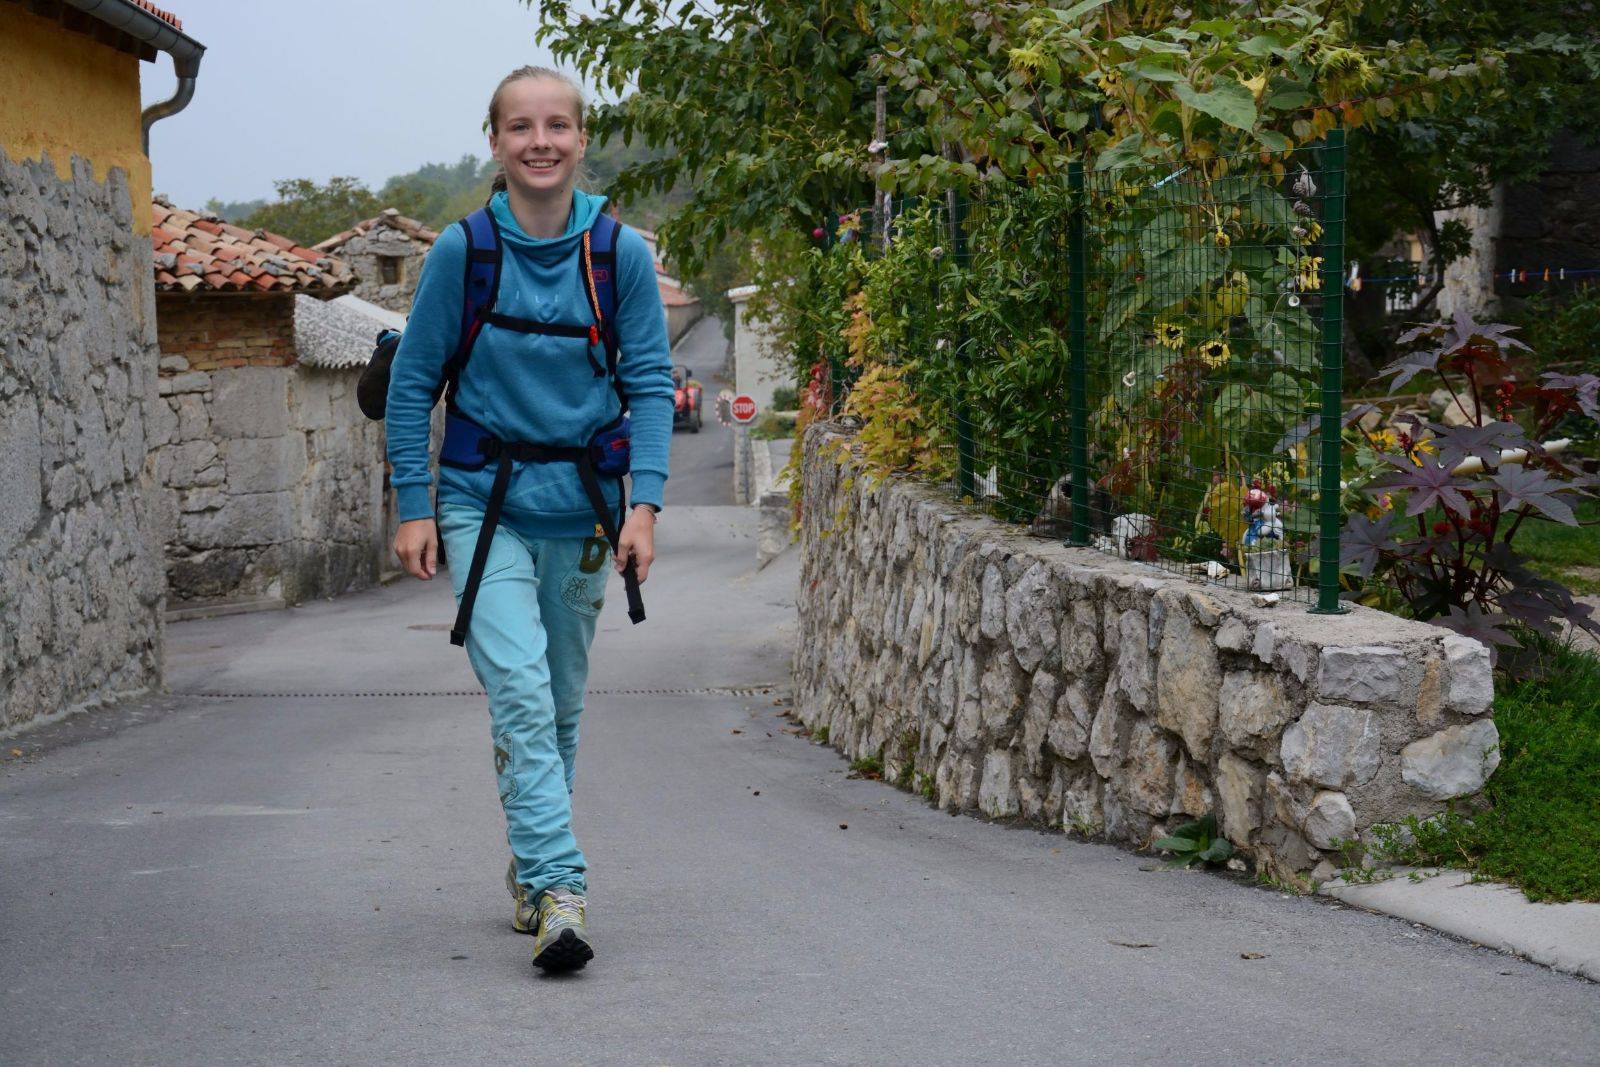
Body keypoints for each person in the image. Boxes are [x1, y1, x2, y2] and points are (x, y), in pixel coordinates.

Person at [385, 65, 674, 974]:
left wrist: (645, 506)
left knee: (559, 706)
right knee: (519, 687)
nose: (539, 141)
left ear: (581, 140)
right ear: (496, 141)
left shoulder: (619, 254)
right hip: (482, 503)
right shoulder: (462, 252)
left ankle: (530, 863)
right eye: (521, 127)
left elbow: (650, 384)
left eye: (556, 125)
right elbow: (413, 382)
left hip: (584, 511)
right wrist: (414, 503)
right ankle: (559, 889)